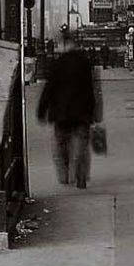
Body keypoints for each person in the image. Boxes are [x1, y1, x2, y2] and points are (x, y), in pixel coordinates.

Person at [36, 37, 102, 188]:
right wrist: (95, 111)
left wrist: (41, 110)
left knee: (61, 145)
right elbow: (92, 89)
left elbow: (48, 89)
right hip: (82, 112)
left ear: (64, 46)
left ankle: (65, 175)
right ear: (75, 45)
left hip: (61, 113)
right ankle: (81, 176)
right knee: (82, 145)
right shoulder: (85, 63)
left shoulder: (57, 64)